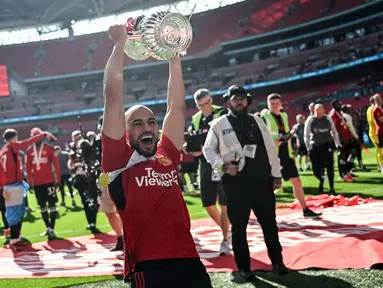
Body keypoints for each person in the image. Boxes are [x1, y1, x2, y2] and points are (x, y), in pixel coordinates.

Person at [101, 25, 212, 287]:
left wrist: (173, 53)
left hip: (189, 260)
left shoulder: (167, 154)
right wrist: (120, 43)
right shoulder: (118, 160)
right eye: (137, 123)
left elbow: (176, 106)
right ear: (125, 132)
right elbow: (113, 97)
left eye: (151, 121)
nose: (147, 127)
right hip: (148, 267)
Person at [203, 85, 288, 281]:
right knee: (239, 227)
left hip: (262, 182)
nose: (239, 102)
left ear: (247, 100)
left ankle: (278, 263)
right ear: (228, 102)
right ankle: (244, 267)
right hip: (235, 185)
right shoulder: (218, 124)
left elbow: (269, 149)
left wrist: (276, 174)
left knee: (269, 225)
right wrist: (222, 166)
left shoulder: (257, 121)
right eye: (235, 99)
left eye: (242, 98)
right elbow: (209, 151)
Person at [261, 94, 321, 218]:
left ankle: (305, 209)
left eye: (277, 103)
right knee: (270, 186)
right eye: (272, 104)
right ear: (268, 105)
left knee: (296, 181)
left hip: (285, 154)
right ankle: (265, 212)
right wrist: (273, 143)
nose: (275, 106)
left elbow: (286, 133)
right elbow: (260, 137)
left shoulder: (284, 115)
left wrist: (289, 145)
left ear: (281, 104)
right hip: (272, 156)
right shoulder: (264, 117)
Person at [189, 88, 230, 255]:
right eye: (200, 105)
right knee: (207, 203)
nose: (204, 108)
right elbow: (194, 139)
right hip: (205, 163)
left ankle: (226, 239)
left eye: (207, 103)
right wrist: (191, 148)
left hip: (222, 160)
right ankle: (227, 229)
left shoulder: (223, 112)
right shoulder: (196, 118)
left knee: (224, 203)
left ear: (211, 100)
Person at [0, 128, 55, 251]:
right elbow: (27, 142)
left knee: (17, 212)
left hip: (11, 185)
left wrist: (3, 185)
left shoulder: (3, 151)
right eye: (16, 138)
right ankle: (14, 240)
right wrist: (43, 134)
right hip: (13, 185)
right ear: (13, 138)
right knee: (16, 213)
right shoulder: (12, 147)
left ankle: (16, 238)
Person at [26, 127, 61, 240]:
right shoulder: (29, 151)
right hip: (37, 184)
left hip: (49, 182)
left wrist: (58, 180)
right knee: (42, 206)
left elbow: (56, 165)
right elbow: (28, 168)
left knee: (51, 205)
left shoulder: (49, 149)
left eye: (38, 136)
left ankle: (52, 228)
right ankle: (48, 228)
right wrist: (30, 182)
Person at [96, 116, 124, 251]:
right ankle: (121, 238)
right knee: (108, 210)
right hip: (105, 177)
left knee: (122, 209)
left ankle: (130, 237)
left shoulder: (121, 138)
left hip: (120, 176)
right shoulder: (97, 142)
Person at [304, 104, 341, 194]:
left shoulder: (328, 118)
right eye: (317, 112)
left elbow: (334, 131)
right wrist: (308, 147)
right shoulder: (311, 120)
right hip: (315, 146)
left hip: (327, 145)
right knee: (316, 169)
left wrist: (337, 143)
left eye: (321, 112)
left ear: (324, 111)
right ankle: (321, 179)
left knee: (329, 166)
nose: (319, 114)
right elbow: (306, 135)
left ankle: (331, 188)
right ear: (314, 111)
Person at [329, 100, 354, 182]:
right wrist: (341, 139)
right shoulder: (333, 115)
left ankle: (345, 172)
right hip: (340, 139)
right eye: (337, 104)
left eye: (339, 104)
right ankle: (342, 175)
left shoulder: (339, 114)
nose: (339, 105)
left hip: (345, 137)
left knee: (346, 155)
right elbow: (335, 128)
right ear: (333, 106)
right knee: (342, 156)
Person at [341, 105, 366, 171]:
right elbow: (351, 127)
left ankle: (351, 166)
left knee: (351, 152)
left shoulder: (343, 116)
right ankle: (353, 165)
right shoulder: (348, 116)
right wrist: (356, 136)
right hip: (352, 136)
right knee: (355, 151)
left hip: (347, 137)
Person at [367, 95, 383, 172]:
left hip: (374, 131)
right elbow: (371, 120)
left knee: (379, 150)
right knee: (380, 149)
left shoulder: (371, 109)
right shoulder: (372, 109)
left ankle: (379, 166)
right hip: (375, 132)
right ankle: (381, 166)